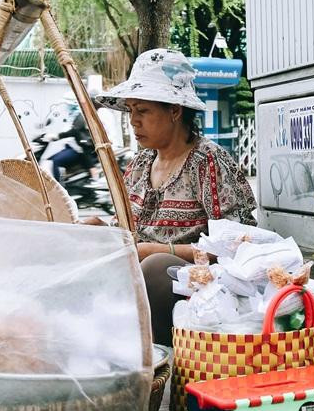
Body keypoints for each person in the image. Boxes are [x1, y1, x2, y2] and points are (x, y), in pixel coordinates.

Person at [91, 49, 256, 345]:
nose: (133, 122)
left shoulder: (207, 162)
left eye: (143, 111)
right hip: (137, 272)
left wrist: (156, 250)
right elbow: (126, 234)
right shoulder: (140, 165)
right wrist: (100, 231)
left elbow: (237, 246)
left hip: (198, 285)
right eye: (131, 111)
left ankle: (161, 367)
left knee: (155, 267)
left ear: (175, 111)